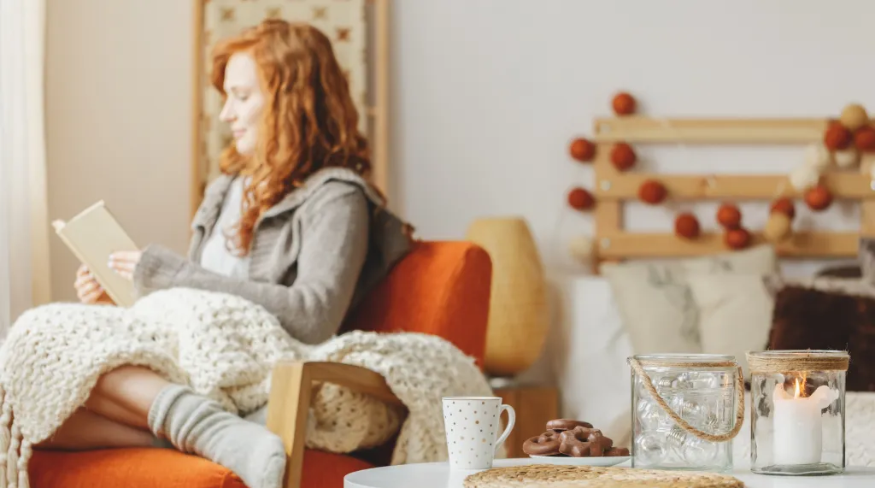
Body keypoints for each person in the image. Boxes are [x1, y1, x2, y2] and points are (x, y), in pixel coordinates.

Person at [51, 20, 411, 488]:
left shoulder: (336, 196)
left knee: (49, 344)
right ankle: (218, 434)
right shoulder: (224, 191)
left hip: (256, 373)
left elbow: (314, 316)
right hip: (195, 363)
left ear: (291, 99)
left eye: (241, 96)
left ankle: (210, 427)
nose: (227, 114)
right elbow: (194, 312)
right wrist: (120, 296)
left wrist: (170, 275)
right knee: (35, 395)